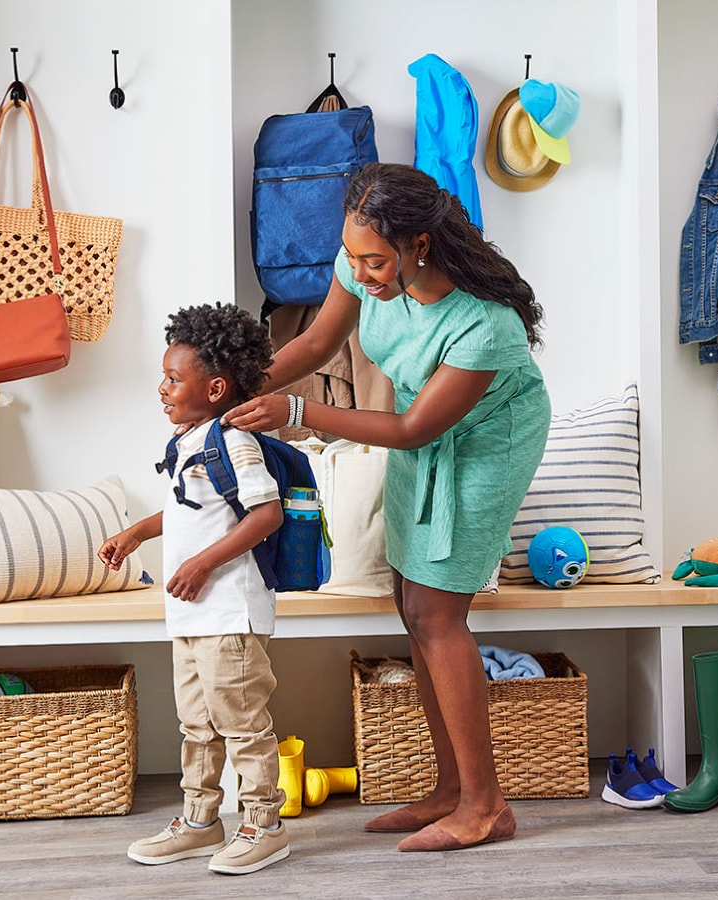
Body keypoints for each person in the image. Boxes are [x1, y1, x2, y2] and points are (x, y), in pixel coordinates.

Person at [225, 162, 551, 853]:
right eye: (355, 256)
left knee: (438, 611)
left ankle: (487, 805)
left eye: (375, 262)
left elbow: (412, 432)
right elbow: (316, 343)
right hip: (419, 425)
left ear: (419, 245)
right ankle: (448, 789)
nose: (362, 273)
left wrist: (296, 412)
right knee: (412, 602)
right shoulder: (361, 261)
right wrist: (233, 391)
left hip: (488, 441)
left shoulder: (484, 327)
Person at [98, 302, 291, 876]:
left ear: (214, 387)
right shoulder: (189, 439)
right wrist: (138, 531)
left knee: (242, 723)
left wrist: (204, 564)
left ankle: (264, 824)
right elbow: (186, 512)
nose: (161, 387)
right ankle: (202, 820)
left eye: (172, 378)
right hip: (191, 617)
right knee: (197, 725)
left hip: (229, 615)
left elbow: (267, 515)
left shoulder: (233, 440)